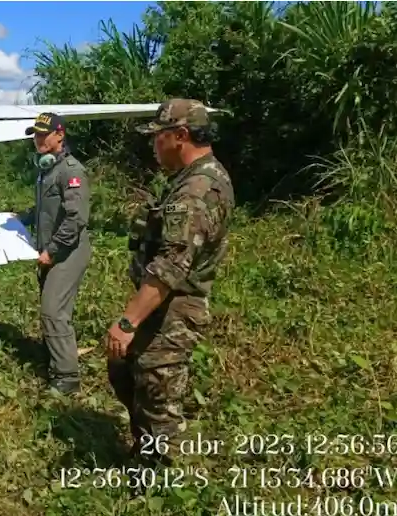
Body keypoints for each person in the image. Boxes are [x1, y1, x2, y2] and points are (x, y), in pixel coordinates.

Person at [105, 99, 235, 466]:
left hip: (174, 308)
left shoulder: (196, 190)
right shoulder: (196, 178)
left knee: (158, 394)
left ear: (180, 136)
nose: (154, 145)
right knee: (127, 370)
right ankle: (144, 451)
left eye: (158, 137)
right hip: (164, 303)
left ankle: (160, 477)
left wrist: (127, 322)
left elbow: (170, 267)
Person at [17, 113, 91, 395]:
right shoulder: (46, 170)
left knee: (53, 311)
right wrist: (22, 217)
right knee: (55, 310)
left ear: (59, 135)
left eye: (43, 134)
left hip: (67, 251)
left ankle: (67, 378)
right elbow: (46, 211)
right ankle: (56, 358)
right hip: (52, 250)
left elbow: (76, 218)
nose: (38, 139)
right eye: (35, 134)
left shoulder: (71, 172)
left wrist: (52, 251)